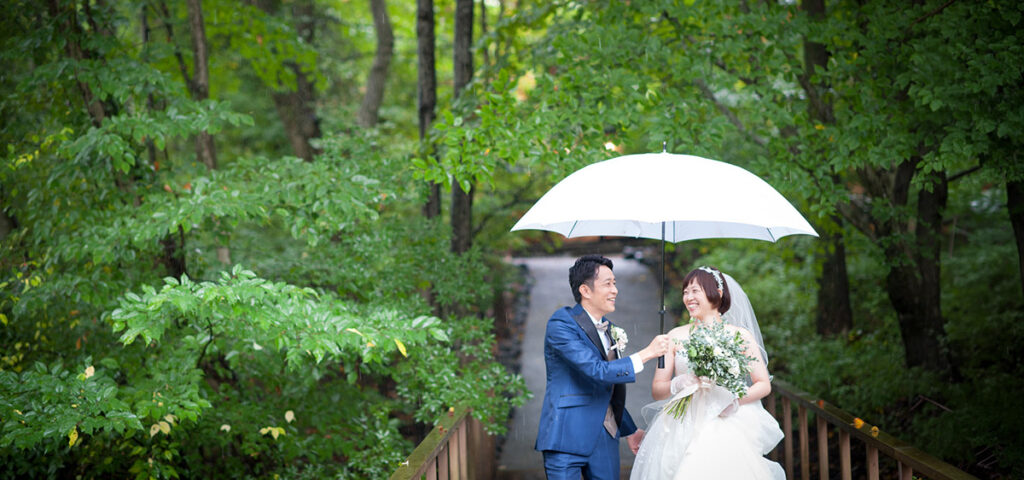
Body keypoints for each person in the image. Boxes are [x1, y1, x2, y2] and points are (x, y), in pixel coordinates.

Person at [630, 266, 784, 480]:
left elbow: (763, 384)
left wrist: (734, 400)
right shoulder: (673, 336)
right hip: (683, 422)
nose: (688, 297)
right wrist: (678, 383)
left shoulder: (740, 336)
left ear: (717, 293)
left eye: (695, 291)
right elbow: (658, 390)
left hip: (728, 419)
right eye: (685, 292)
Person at [536, 254, 673, 480]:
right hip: (566, 436)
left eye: (615, 283)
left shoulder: (610, 329)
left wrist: (629, 429)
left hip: (606, 438)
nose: (615, 290)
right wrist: (648, 353)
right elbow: (597, 371)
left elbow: (609, 389)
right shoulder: (561, 324)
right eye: (608, 284)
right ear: (585, 290)